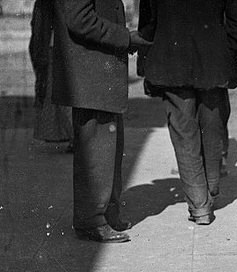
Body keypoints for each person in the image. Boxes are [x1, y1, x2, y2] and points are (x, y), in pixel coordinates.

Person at [138, 0, 237, 225]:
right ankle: (212, 186)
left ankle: (200, 207)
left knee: (184, 134)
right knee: (212, 127)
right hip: (212, 62)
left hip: (171, 61)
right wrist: (226, 54)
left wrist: (146, 63)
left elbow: (148, 25)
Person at [52, 0, 151, 243]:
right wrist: (125, 38)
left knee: (107, 150)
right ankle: (91, 221)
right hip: (90, 75)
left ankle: (107, 212)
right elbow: (80, 21)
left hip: (98, 74)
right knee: (95, 154)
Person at [30, 0, 73, 147]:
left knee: (59, 96)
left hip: (56, 48)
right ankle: (67, 136)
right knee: (55, 96)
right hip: (54, 47)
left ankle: (74, 138)